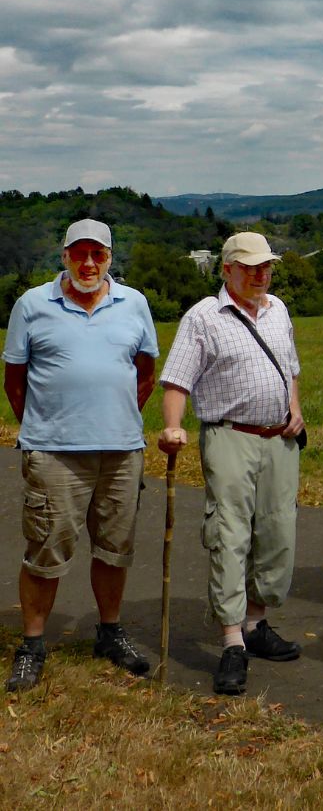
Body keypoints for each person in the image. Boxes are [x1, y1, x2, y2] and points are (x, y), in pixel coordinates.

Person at [3, 219, 158, 691]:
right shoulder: (32, 305)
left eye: (99, 254)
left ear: (110, 258)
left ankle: (109, 634)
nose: (88, 263)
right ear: (64, 256)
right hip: (54, 454)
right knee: (45, 551)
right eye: (79, 254)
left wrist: (113, 419)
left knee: (115, 550)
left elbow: (145, 373)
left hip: (121, 452)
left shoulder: (134, 304)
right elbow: (14, 382)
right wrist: (47, 427)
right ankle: (32, 645)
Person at [158, 232, 305, 696]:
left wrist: (295, 408)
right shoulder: (204, 317)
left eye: (267, 267)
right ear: (227, 270)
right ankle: (231, 642)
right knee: (229, 534)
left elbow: (291, 369)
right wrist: (173, 427)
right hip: (229, 437)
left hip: (279, 440)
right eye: (251, 267)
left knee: (278, 533)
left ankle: (257, 624)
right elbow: (178, 380)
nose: (262, 274)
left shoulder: (278, 309)